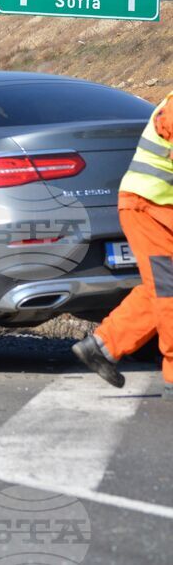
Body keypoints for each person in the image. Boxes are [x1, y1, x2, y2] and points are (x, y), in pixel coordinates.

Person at [72, 91, 173, 397]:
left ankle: (102, 346)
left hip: (159, 207)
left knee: (159, 287)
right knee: (169, 290)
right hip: (147, 207)